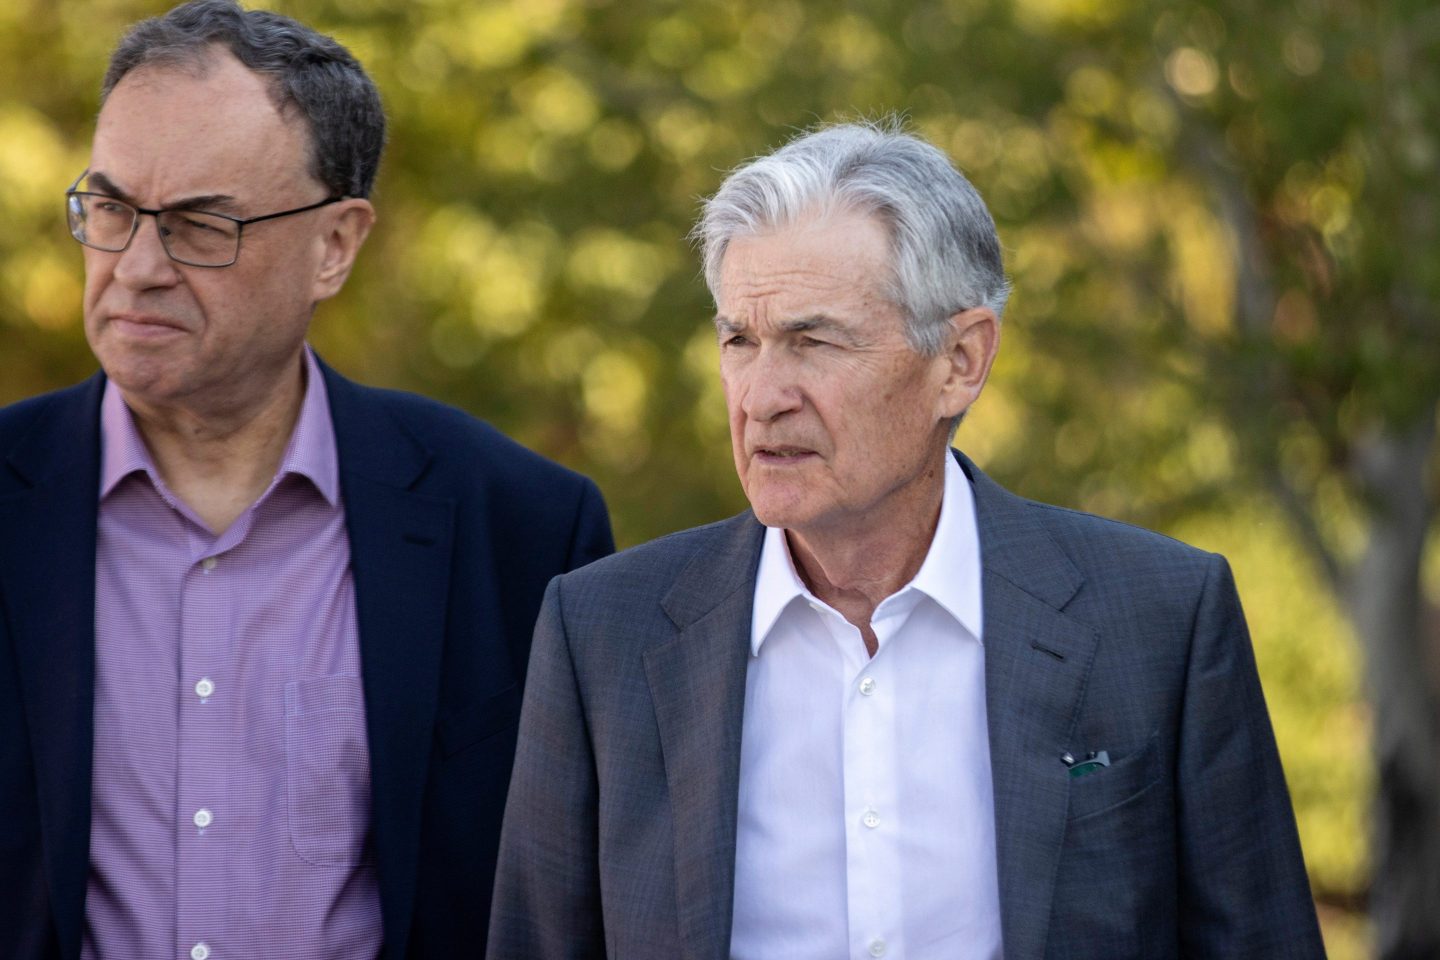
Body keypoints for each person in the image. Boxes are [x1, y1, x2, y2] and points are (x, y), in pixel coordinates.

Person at [487, 121, 1325, 960]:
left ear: (959, 360)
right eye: (740, 340)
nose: (762, 396)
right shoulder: (602, 633)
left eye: (813, 341)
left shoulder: (1159, 619)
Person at [0, 2, 612, 957]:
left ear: (336, 245)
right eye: (113, 209)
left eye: (201, 225)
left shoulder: (522, 530)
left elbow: (576, 908)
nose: (137, 267)